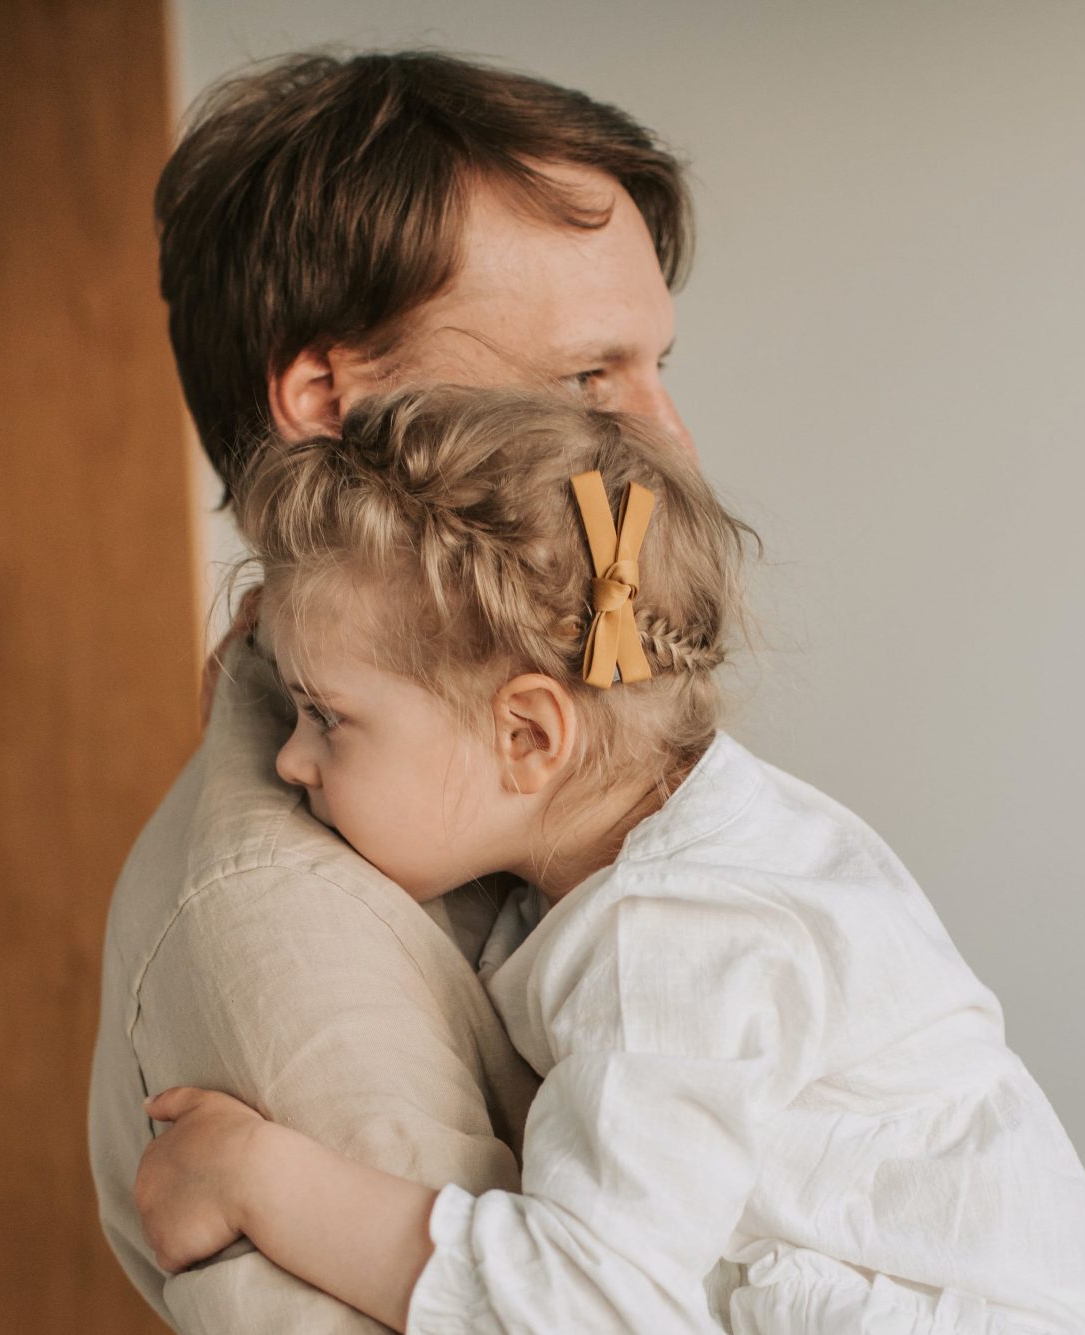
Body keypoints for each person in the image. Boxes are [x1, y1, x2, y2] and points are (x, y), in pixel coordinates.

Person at [132, 387, 1085, 1335]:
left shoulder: (669, 947)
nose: (288, 759)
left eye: (326, 718)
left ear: (527, 737)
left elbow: (587, 1307)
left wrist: (260, 1181)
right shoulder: (716, 824)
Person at [88, 50, 694, 1333]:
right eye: (589, 382)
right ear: (333, 406)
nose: (667, 444)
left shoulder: (580, 738)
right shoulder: (294, 925)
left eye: (655, 371)